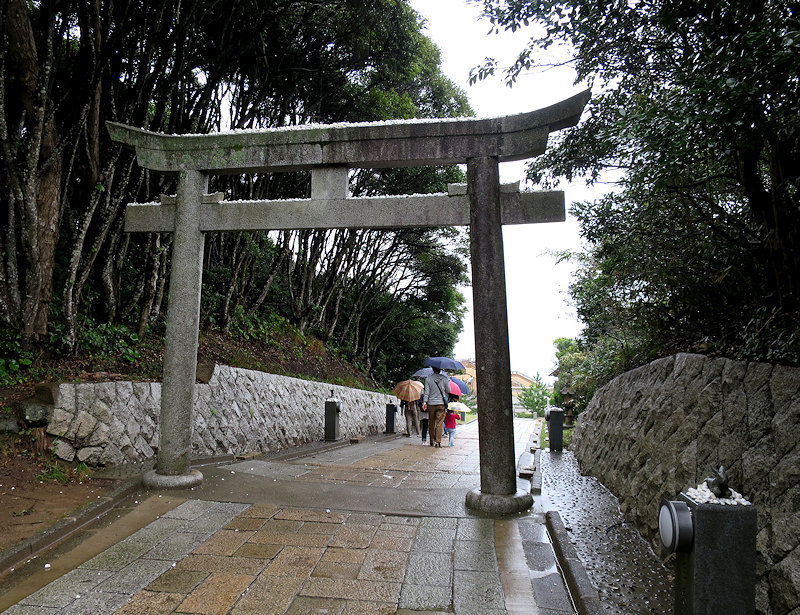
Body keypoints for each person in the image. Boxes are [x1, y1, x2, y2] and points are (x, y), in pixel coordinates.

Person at [423, 367, 450, 448]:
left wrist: (425, 402)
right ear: (440, 369)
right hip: (441, 403)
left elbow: (426, 392)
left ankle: (431, 441)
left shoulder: (428, 379)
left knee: (431, 423)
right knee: (439, 423)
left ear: (433, 369)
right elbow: (448, 390)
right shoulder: (444, 378)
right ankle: (438, 441)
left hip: (431, 403)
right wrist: (443, 388)